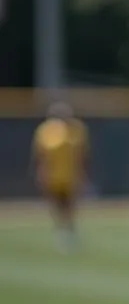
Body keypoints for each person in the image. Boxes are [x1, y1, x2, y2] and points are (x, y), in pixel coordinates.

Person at [30, 99, 90, 252]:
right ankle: (61, 230)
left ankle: (69, 230)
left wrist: (83, 173)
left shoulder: (77, 130)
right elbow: (40, 155)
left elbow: (82, 155)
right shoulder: (45, 131)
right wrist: (41, 173)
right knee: (56, 204)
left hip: (71, 174)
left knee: (70, 204)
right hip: (53, 175)